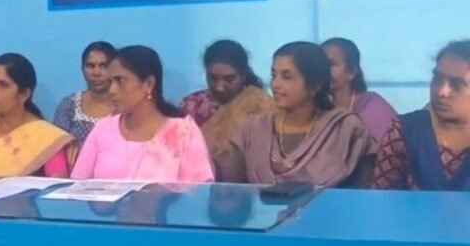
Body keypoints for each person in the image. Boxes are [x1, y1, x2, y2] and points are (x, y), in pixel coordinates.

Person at [229, 42, 376, 187]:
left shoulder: (345, 128)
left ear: (315, 84)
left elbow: (363, 191)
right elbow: (234, 191)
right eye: (274, 75)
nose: (275, 84)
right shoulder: (254, 129)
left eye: (287, 77)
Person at [71, 46, 214, 182]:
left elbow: (197, 193)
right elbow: (77, 186)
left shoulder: (183, 133)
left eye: (120, 81)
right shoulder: (103, 129)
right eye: (110, 82)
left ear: (149, 84)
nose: (112, 90)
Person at [373, 40, 470, 190]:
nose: (441, 92)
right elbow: (383, 198)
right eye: (437, 79)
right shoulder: (405, 130)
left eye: (456, 84)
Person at [195, 40, 275, 181]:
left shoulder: (260, 106)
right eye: (212, 78)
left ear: (243, 75)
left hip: (247, 189)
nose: (219, 87)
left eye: (229, 79)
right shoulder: (192, 105)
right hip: (200, 188)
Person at [322, 38, 397, 142]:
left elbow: (393, 147)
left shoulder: (373, 107)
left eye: (331, 64)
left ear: (351, 71)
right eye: (321, 64)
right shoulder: (317, 108)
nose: (324, 69)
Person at [53, 41, 117, 148]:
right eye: (90, 66)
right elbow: (56, 148)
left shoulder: (125, 107)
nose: (96, 73)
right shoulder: (69, 105)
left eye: (103, 66)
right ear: (82, 68)